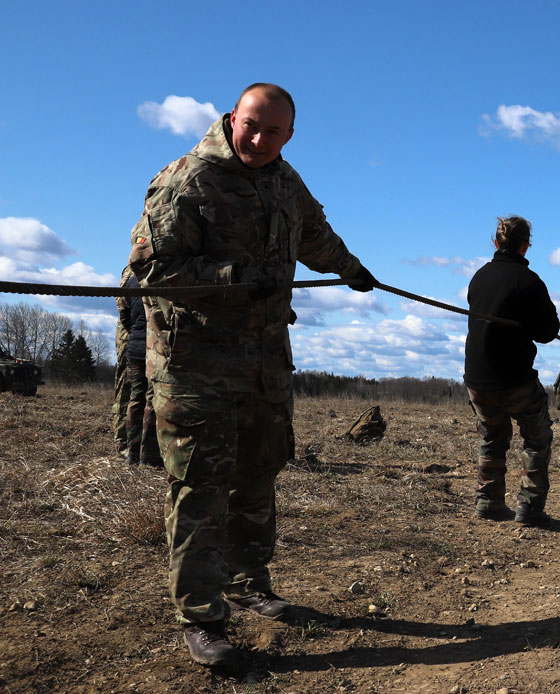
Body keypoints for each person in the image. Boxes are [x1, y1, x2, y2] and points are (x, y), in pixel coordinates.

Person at [128, 83, 378, 667]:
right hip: (197, 367)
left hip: (265, 363)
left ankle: (248, 584)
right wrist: (233, 274)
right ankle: (202, 618)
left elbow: (313, 234)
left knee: (259, 474)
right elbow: (154, 269)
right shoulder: (187, 180)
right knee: (201, 487)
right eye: (251, 126)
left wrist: (351, 268)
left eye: (274, 132)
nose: (260, 140)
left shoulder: (285, 180)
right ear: (232, 118)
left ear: (290, 136)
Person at [464, 216, 560, 527]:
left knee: (492, 437)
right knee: (537, 436)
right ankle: (529, 508)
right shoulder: (528, 281)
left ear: (496, 242)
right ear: (525, 245)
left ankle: (488, 503)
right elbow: (548, 331)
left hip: (476, 379)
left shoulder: (478, 277)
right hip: (513, 379)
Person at [118, 273, 160, 466]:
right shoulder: (160, 274)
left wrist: (135, 331)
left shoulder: (131, 280)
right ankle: (148, 455)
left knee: (136, 398)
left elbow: (124, 315)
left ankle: (132, 451)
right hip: (155, 349)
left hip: (134, 347)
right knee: (151, 400)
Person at [111, 265, 134, 455]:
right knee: (126, 388)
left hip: (137, 334)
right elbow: (123, 305)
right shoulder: (133, 270)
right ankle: (122, 442)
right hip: (131, 336)